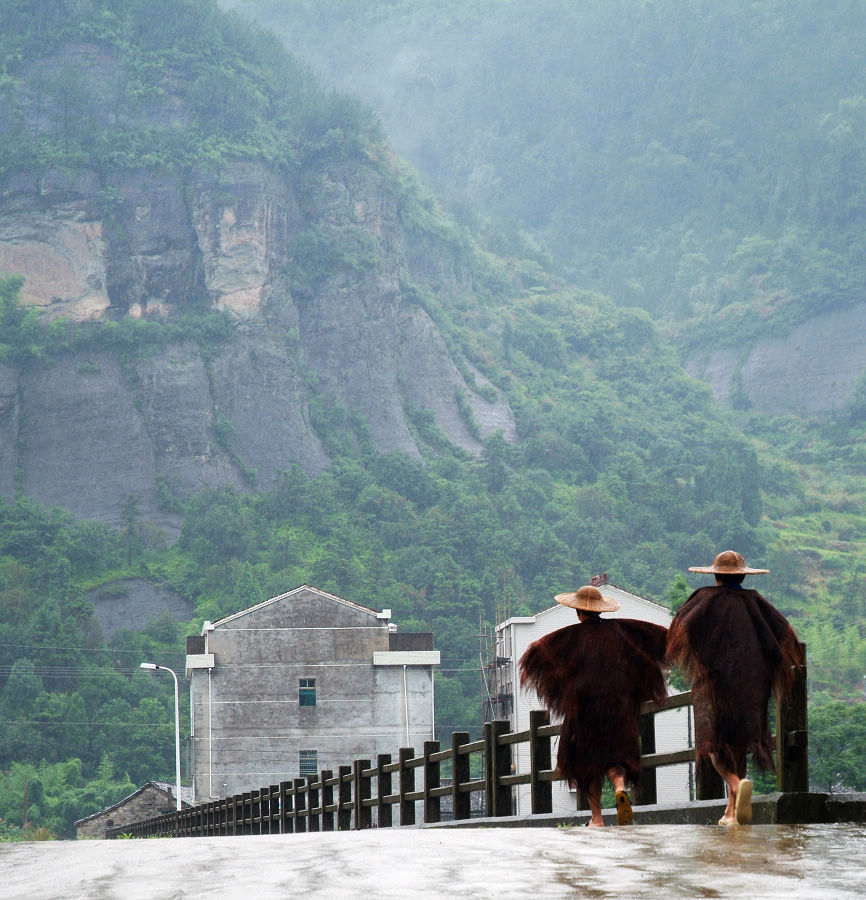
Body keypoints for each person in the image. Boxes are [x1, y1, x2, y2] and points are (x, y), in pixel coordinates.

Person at [666, 550, 805, 826]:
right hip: (751, 685)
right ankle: (731, 811)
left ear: (715, 575)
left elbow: (679, 631)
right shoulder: (755, 602)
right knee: (738, 745)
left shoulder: (704, 599)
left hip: (715, 686)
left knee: (713, 746)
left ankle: (736, 786)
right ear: (742, 575)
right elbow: (785, 634)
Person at [519, 585, 668, 826]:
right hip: (618, 710)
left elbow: (536, 654)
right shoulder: (622, 631)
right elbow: (657, 639)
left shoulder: (568, 638)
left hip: (585, 712)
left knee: (588, 764)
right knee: (618, 758)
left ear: (578, 611)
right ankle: (620, 788)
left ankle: (597, 819)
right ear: (601, 610)